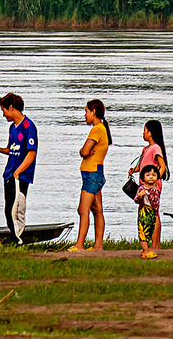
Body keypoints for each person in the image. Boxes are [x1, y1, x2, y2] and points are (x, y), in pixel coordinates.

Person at [0, 92, 36, 242]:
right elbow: (11, 150)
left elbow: (31, 153)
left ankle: (18, 238)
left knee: (16, 209)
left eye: (4, 110)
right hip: (9, 173)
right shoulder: (13, 127)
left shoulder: (28, 126)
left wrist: (18, 172)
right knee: (8, 209)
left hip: (20, 176)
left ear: (11, 108)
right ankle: (14, 236)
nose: (4, 115)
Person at [69, 99, 110, 252]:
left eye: (86, 111)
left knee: (83, 209)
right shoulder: (102, 129)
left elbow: (85, 151)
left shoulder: (97, 129)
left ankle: (79, 245)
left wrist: (82, 151)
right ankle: (98, 245)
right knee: (97, 209)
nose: (85, 115)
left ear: (93, 112)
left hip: (91, 174)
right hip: (95, 173)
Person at [127, 119, 170, 253]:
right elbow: (143, 166)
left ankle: (155, 244)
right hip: (144, 186)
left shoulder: (156, 148)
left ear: (150, 132)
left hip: (152, 186)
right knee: (147, 212)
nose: (143, 133)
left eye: (145, 130)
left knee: (154, 213)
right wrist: (134, 170)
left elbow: (162, 166)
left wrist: (154, 180)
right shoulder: (146, 149)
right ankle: (153, 243)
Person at [135, 164, 162, 258]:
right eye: (148, 175)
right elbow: (136, 200)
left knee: (150, 230)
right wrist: (140, 196)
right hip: (145, 210)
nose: (151, 177)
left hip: (152, 212)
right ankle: (145, 251)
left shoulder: (155, 189)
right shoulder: (142, 189)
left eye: (154, 175)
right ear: (143, 177)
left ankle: (146, 248)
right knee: (143, 230)